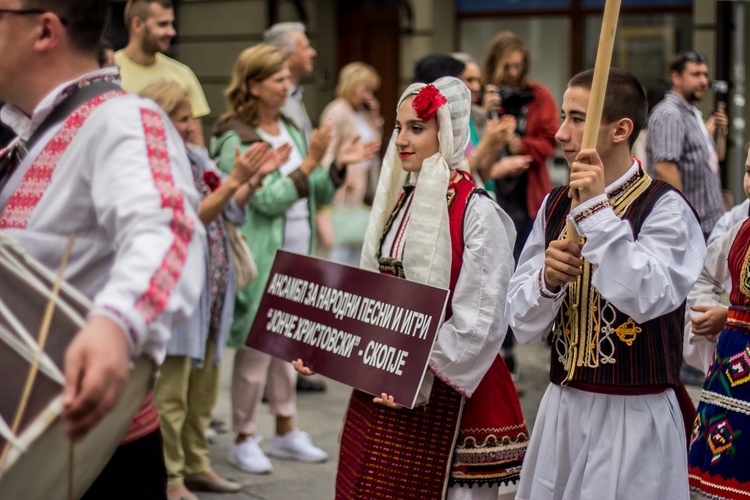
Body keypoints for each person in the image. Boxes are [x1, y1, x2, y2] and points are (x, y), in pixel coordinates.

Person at [0, 1, 206, 498]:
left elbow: (169, 229)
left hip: (87, 456)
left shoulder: (123, 119)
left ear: (44, 30)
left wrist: (115, 325)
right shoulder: (26, 132)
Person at [297, 77, 527, 499]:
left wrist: (416, 374)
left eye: (417, 128)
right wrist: (326, 347)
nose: (401, 139)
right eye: (399, 127)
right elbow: (376, 293)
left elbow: (483, 319)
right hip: (384, 383)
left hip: (446, 389)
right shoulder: (399, 200)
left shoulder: (478, 213)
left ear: (449, 132)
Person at [506, 68, 706, 499]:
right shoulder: (555, 203)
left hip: (633, 416)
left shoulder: (665, 208)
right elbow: (522, 324)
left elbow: (648, 294)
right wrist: (547, 281)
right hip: (562, 409)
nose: (561, 132)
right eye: (563, 116)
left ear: (621, 129)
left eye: (577, 118)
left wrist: (598, 213)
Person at [210, 43, 377, 475]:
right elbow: (262, 201)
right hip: (263, 256)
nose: (289, 86)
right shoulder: (235, 137)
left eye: (288, 78)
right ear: (254, 85)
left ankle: (285, 429)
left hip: (299, 254)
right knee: (256, 350)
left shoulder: (289, 125)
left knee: (290, 346)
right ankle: (244, 437)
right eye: (279, 79)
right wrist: (308, 166)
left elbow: (315, 191)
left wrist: (335, 167)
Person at [140, 80, 279, 500]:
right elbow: (189, 216)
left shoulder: (196, 156)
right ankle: (172, 477)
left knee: (203, 389)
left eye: (190, 118)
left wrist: (250, 181)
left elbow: (231, 212)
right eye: (182, 118)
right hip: (179, 293)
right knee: (172, 394)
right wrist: (232, 180)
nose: (190, 126)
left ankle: (197, 463)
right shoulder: (152, 161)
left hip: (212, 291)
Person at [479, 31, 558, 380]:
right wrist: (486, 110)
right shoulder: (484, 96)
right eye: (506, 66)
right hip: (493, 191)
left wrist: (519, 143)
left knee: (520, 268)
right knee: (494, 273)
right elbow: (472, 145)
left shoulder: (537, 96)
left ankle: (516, 345)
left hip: (526, 196)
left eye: (518, 66)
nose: (512, 73)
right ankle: (498, 349)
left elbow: (551, 141)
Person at [684, 146, 750, 498]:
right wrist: (706, 310)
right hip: (731, 378)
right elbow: (704, 274)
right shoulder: (741, 231)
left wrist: (731, 316)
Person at [646, 51, 727, 239]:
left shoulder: (692, 113)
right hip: (690, 228)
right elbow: (665, 168)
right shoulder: (669, 114)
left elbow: (715, 158)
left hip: (708, 226)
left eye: (705, 75)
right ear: (676, 77)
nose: (703, 81)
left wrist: (721, 131)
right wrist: (684, 219)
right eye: (696, 74)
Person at [115, 0, 210, 146]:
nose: (171, 32)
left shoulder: (182, 74)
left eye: (171, 24)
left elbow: (197, 147)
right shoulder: (108, 72)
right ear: (137, 24)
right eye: (162, 24)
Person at [317, 62, 383, 266]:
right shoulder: (337, 111)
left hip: (363, 187)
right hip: (345, 186)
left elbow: (374, 145)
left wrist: (375, 118)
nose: (368, 95)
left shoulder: (361, 112)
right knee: (341, 247)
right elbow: (327, 150)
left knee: (356, 245)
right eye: (365, 89)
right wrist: (335, 176)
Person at [264, 22, 316, 141]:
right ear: (286, 56)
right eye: (306, 47)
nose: (312, 53)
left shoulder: (294, 93)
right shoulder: (274, 99)